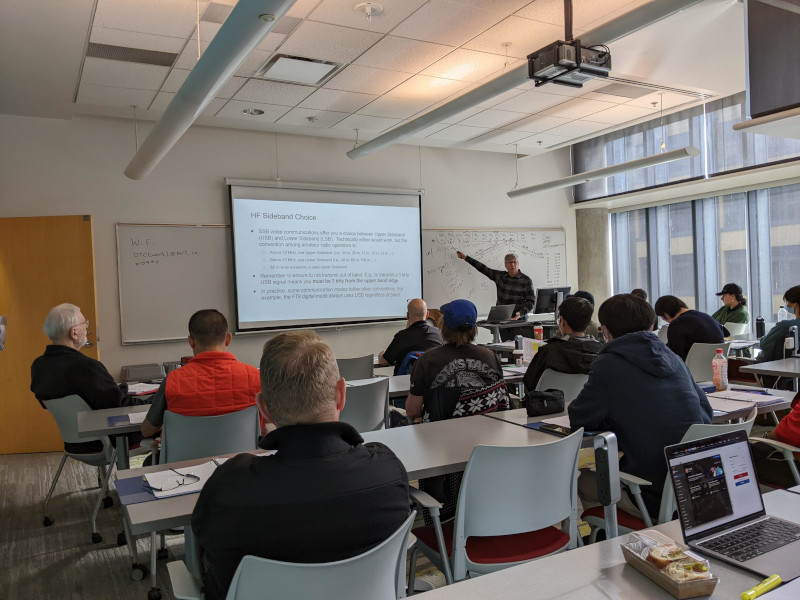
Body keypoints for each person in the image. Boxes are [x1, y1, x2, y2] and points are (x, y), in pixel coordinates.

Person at [191, 330, 409, 600]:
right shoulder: (387, 470)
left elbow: (202, 546)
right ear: (341, 394)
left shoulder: (228, 487)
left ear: (263, 408)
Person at [569, 294, 713, 519]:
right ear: (653, 325)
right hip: (698, 490)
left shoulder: (608, 364)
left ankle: (606, 539)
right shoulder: (675, 358)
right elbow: (706, 414)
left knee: (585, 479)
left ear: (605, 331)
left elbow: (580, 418)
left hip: (651, 497)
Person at [31, 303, 148, 453]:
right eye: (84, 323)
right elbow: (119, 406)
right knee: (165, 421)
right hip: (108, 442)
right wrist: (153, 401)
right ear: (74, 332)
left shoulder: (38, 366)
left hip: (74, 443)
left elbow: (46, 403)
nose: (87, 328)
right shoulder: (86, 367)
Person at [140, 309, 261, 439]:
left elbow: (147, 430)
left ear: (191, 342)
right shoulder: (256, 376)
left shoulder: (173, 381)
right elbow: (267, 424)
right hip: (245, 457)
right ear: (228, 339)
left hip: (185, 458)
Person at [406, 299, 509, 422]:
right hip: (486, 432)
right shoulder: (490, 356)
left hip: (440, 437)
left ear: (443, 326)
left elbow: (413, 411)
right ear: (474, 327)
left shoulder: (426, 361)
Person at [523, 296, 603, 390]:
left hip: (550, 403)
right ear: (588, 322)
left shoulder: (548, 352)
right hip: (587, 403)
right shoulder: (601, 352)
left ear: (563, 322)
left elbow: (529, 384)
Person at [456, 251, 535, 320]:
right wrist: (466, 257)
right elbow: (483, 268)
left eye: (515, 262)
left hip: (519, 318)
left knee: (518, 338)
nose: (513, 265)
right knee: (504, 337)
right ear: (505, 265)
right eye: (509, 262)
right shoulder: (500, 276)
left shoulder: (526, 280)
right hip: (502, 317)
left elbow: (531, 302)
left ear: (518, 263)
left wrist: (521, 313)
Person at [378, 298, 443, 375]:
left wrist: (381, 354)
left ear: (408, 316)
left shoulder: (402, 336)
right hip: (434, 382)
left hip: (405, 384)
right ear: (427, 315)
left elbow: (384, 361)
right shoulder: (438, 333)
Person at [653, 295, 724, 361]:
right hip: (717, 366)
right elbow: (725, 334)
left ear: (665, 314)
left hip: (689, 369)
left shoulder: (677, 324)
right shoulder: (707, 317)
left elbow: (674, 355)